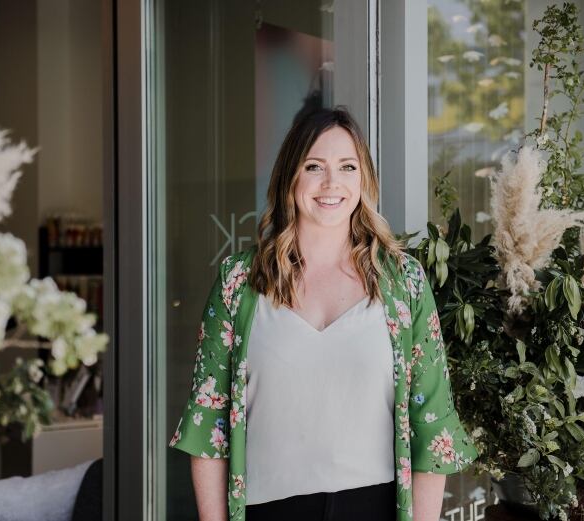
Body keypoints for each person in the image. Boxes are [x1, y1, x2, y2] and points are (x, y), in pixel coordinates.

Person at [169, 107, 478, 521]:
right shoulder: (239, 281)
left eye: (347, 167)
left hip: (375, 506)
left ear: (363, 179)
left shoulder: (403, 282)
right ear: (289, 178)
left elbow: (432, 425)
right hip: (268, 509)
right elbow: (209, 426)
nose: (332, 183)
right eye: (314, 166)